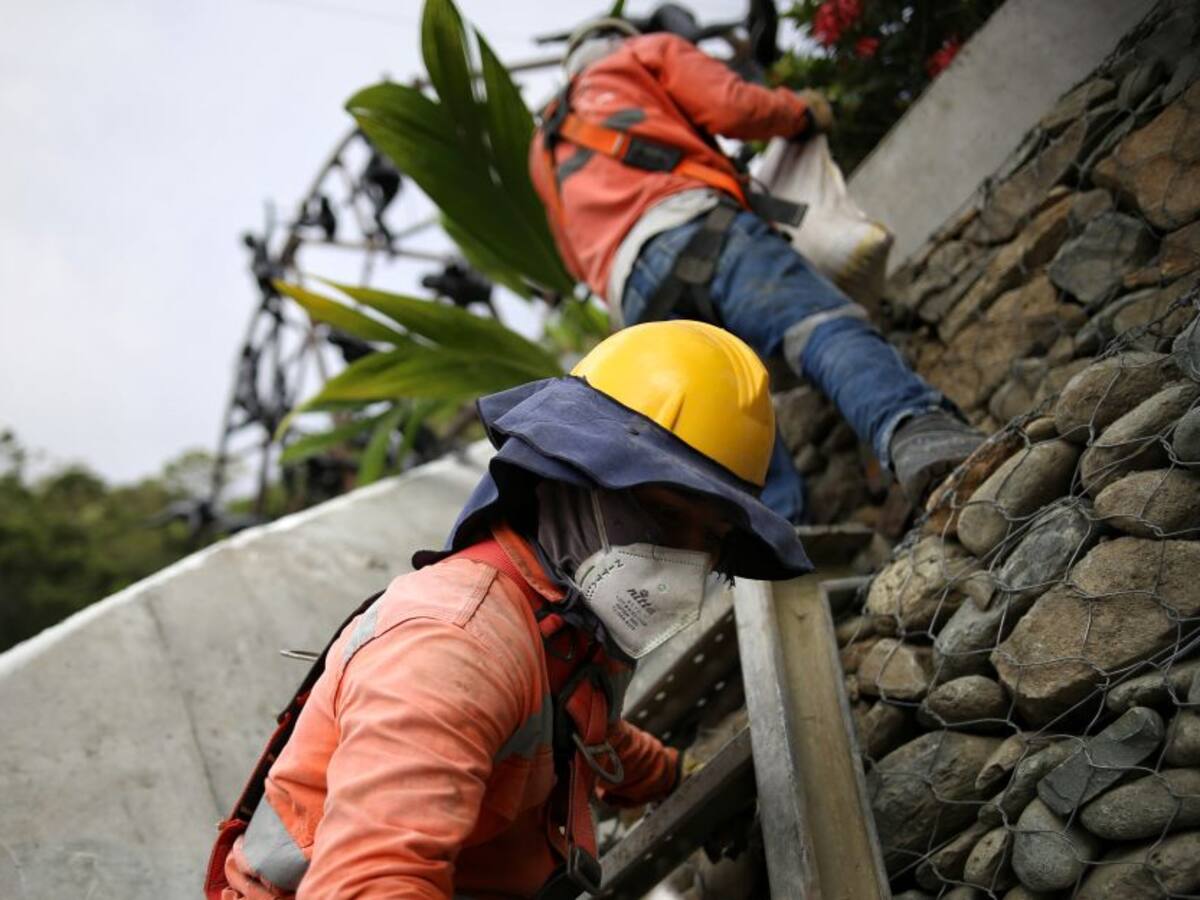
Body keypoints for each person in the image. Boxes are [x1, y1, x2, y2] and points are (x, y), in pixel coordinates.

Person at [206, 320, 813, 899]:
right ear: (566, 479)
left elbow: (586, 729)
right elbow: (371, 880)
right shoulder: (453, 646)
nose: (683, 555)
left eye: (709, 538)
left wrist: (678, 775)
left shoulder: (562, 625)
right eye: (663, 514)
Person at [529, 18, 983, 521]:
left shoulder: (543, 150)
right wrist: (802, 112)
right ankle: (920, 433)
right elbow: (735, 107)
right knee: (819, 329)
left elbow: (573, 258)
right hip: (704, 225)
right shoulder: (642, 55)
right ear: (618, 40)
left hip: (636, 298)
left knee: (725, 428)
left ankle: (782, 551)